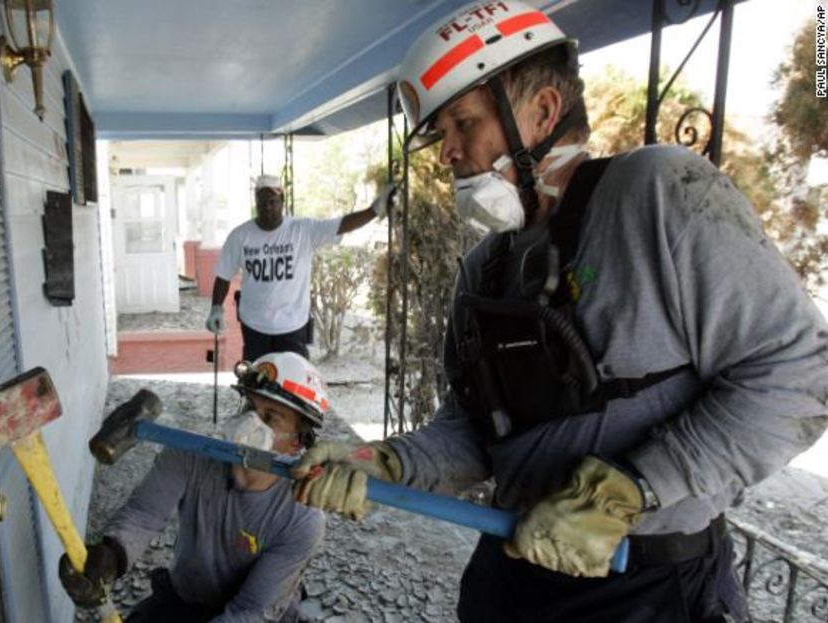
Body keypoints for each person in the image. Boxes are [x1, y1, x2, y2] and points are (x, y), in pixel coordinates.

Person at [289, 2, 828, 622]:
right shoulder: (483, 269)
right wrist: (382, 462)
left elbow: (797, 376)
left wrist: (635, 488)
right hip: (512, 570)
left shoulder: (661, 194)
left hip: (647, 585)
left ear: (542, 112)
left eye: (463, 124)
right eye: (441, 135)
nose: (448, 155)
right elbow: (473, 433)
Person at [59, 352, 330, 622]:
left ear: (296, 442)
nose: (251, 423)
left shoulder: (302, 517)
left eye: (271, 418)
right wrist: (112, 554)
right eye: (250, 407)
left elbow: (250, 611)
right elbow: (144, 515)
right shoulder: (192, 454)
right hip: (187, 597)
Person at [205, 174, 393, 361]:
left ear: (282, 201)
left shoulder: (303, 230)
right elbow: (223, 275)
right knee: (255, 381)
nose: (267, 207)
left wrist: (374, 210)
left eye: (272, 201)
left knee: (291, 383)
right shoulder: (240, 236)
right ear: (256, 202)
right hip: (254, 325)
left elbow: (341, 225)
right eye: (262, 202)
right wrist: (216, 308)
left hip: (292, 325)